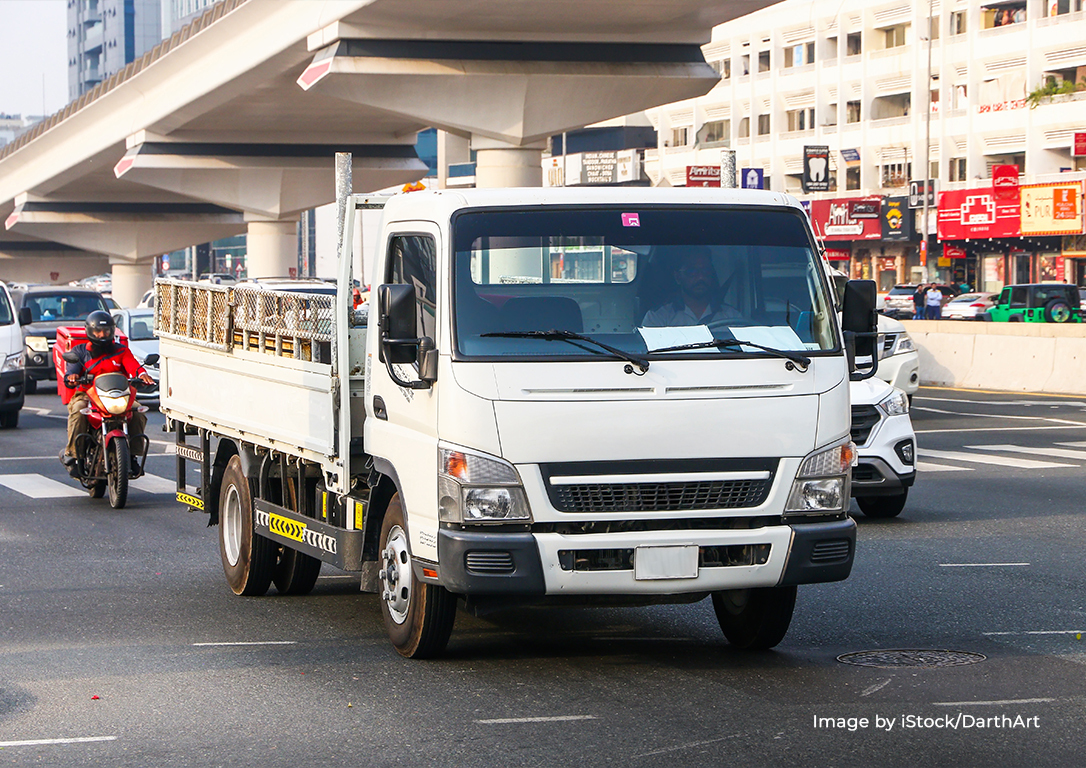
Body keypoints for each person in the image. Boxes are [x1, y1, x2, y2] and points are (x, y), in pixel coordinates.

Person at [61, 311, 154, 474]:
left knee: (138, 412)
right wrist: (72, 377)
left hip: (119, 394)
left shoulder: (121, 351)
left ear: (112, 331)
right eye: (98, 331)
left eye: (106, 331)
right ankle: (73, 455)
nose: (102, 335)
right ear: (90, 332)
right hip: (88, 395)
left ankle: (132, 456)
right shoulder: (80, 352)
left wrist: (142, 374)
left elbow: (133, 366)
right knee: (78, 410)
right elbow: (72, 371)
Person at [641, 247, 741, 327]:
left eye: (705, 270)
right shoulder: (658, 318)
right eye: (692, 271)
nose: (701, 277)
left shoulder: (732, 317)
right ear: (678, 277)